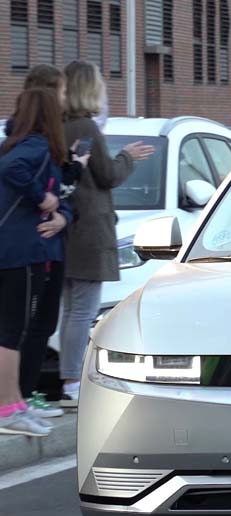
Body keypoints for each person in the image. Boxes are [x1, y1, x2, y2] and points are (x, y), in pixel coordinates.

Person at [59, 61, 154, 408]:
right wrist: (127, 157)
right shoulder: (86, 126)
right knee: (82, 310)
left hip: (69, 230)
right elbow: (106, 175)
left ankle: (69, 378)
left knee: (72, 309)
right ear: (89, 88)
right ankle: (71, 382)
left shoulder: (63, 125)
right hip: (89, 231)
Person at [6, 65, 87, 419]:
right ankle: (16, 400)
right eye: (63, 93)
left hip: (47, 245)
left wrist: (63, 216)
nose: (67, 99)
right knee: (19, 328)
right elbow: (18, 175)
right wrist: (46, 199)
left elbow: (64, 196)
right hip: (28, 248)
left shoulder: (45, 141)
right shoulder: (32, 142)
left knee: (38, 324)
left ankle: (22, 398)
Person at [0, 88, 70, 436]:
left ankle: (15, 404)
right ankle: (8, 409)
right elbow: (12, 170)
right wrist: (42, 196)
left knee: (11, 330)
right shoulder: (36, 147)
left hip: (14, 250)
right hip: (20, 252)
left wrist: (58, 211)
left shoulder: (14, 142)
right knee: (12, 331)